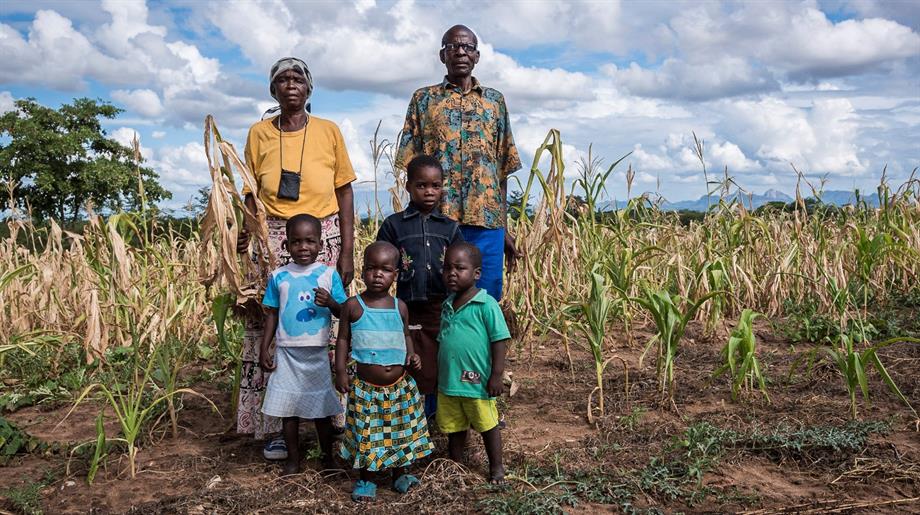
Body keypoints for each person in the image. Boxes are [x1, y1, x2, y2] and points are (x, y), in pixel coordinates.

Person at [237, 56, 356, 460]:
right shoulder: (258, 134)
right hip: (271, 238)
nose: (291, 85)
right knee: (269, 324)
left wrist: (348, 251)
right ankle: (272, 426)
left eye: (298, 79)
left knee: (324, 325)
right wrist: (242, 231)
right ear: (273, 90)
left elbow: (344, 192)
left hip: (323, 234)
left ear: (309, 89)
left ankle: (333, 422)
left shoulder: (329, 131)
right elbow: (251, 192)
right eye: (282, 80)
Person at [396, 24, 522, 301]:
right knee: (437, 299)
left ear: (477, 56)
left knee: (485, 299)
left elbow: (502, 169)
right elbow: (411, 164)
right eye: (453, 47)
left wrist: (504, 229)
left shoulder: (494, 102)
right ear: (443, 55)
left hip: (486, 224)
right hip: (438, 219)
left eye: (467, 47)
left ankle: (482, 347)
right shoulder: (423, 99)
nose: (460, 52)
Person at [335, 241, 434, 501]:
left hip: (399, 386)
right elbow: (343, 340)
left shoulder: (399, 306)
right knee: (367, 432)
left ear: (396, 275)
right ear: (362, 271)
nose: (378, 274)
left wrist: (411, 355)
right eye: (371, 268)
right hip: (368, 389)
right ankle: (366, 480)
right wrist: (340, 371)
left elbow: (404, 335)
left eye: (385, 269)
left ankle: (400, 474)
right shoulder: (353, 306)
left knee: (400, 430)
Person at [376, 155, 463, 421]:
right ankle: (413, 417)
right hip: (408, 308)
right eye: (421, 185)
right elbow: (382, 260)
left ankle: (440, 413)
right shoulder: (394, 224)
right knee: (413, 360)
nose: (429, 192)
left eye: (435, 186)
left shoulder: (449, 227)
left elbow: (460, 263)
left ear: (442, 187)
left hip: (442, 307)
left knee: (441, 358)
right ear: (408, 187)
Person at [259, 214, 348, 475]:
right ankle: (293, 460)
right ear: (286, 246)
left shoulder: (329, 275)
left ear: (321, 245)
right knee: (289, 410)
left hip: (317, 351)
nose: (304, 247)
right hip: (287, 352)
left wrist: (330, 302)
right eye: (297, 242)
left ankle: (327, 458)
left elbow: (344, 312)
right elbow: (272, 313)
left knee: (321, 409)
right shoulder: (278, 276)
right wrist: (265, 347)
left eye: (310, 241)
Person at [438, 242, 510, 484]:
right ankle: (455, 466)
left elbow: (499, 339)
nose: (452, 274)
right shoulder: (447, 305)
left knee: (487, 424)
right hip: (449, 382)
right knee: (454, 427)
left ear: (476, 273)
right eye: (447, 268)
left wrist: (496, 375)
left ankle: (496, 468)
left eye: (460, 268)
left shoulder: (486, 304)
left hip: (476, 380)